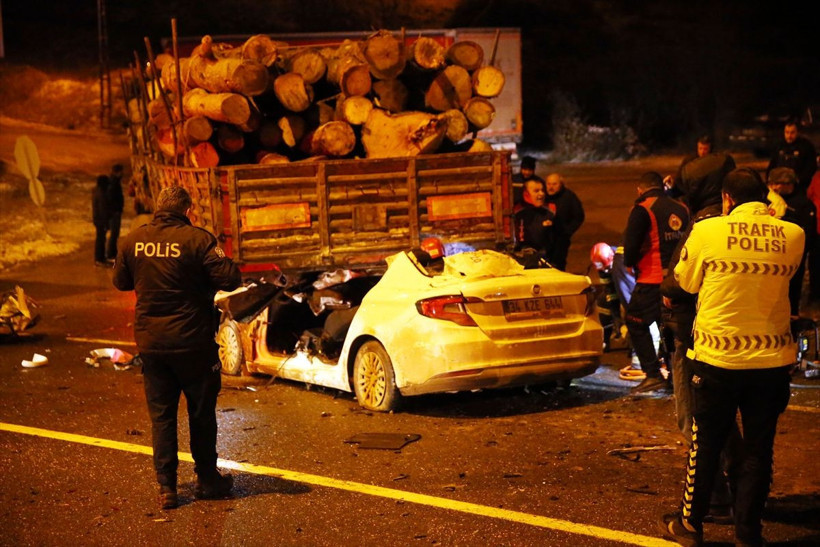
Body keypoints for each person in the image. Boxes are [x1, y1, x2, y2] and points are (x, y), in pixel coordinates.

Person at [659, 168, 804, 547]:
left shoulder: (708, 231)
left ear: (726, 199)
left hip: (717, 358)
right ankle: (748, 532)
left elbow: (683, 283)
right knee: (759, 449)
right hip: (771, 360)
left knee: (705, 443)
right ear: (766, 196)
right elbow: (790, 278)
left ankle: (690, 526)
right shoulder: (794, 234)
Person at [113, 185, 241, 510]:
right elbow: (230, 278)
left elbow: (121, 282)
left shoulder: (132, 240)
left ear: (158, 208)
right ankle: (208, 480)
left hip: (152, 344)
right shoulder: (198, 240)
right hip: (193, 343)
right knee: (201, 413)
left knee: (162, 417)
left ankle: (167, 487)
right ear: (187, 211)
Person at [622, 172, 689, 393]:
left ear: (640, 190)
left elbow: (630, 246)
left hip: (652, 279)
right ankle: (676, 375)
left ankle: (653, 374)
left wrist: (630, 262)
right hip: (680, 279)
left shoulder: (643, 209)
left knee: (635, 322)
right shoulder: (682, 208)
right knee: (670, 326)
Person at [768, 167, 816, 316]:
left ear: (790, 184)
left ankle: (793, 319)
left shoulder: (803, 204)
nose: (774, 187)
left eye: (779, 184)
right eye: (773, 183)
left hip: (793, 259)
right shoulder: (768, 201)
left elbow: (808, 233)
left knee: (792, 293)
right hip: (772, 257)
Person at [544, 172, 585, 270]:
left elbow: (578, 216)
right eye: (549, 184)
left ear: (561, 184)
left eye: (554, 184)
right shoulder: (543, 196)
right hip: (544, 239)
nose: (551, 187)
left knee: (558, 263)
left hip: (560, 238)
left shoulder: (569, 197)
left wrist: (567, 231)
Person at [513, 178, 556, 263]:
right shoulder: (517, 211)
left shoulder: (550, 211)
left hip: (546, 257)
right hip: (521, 256)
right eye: (536, 191)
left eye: (542, 190)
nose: (541, 194)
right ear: (526, 194)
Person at [766, 119, 818, 190]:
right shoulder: (779, 146)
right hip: (780, 186)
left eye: (792, 133)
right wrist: (769, 180)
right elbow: (772, 164)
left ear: (798, 132)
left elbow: (811, 167)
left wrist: (798, 180)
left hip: (799, 187)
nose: (789, 136)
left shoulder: (806, 146)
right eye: (787, 132)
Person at [806, 164, 820, 301]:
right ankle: (815, 292)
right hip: (817, 226)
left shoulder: (816, 178)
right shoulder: (816, 178)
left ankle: (815, 293)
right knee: (815, 262)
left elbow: (809, 195)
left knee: (815, 263)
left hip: (817, 226)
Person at [92, 175, 112, 267]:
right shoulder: (101, 194)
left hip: (98, 219)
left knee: (100, 239)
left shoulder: (96, 191)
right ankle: (99, 259)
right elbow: (102, 209)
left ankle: (100, 258)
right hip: (101, 220)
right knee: (101, 239)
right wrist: (106, 222)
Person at [106, 164, 125, 261]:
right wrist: (115, 210)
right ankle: (110, 254)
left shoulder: (114, 181)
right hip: (114, 212)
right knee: (114, 233)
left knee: (115, 233)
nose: (122, 174)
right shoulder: (113, 183)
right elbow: (111, 198)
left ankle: (112, 253)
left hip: (115, 211)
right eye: (121, 171)